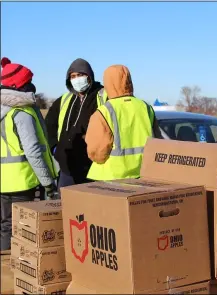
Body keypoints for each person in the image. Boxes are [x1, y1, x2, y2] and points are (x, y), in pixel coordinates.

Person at [1, 57, 58, 251]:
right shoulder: (21, 113)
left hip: (3, 182)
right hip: (22, 182)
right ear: (20, 85)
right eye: (28, 82)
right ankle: (20, 271)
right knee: (23, 230)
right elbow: (33, 151)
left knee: (5, 227)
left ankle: (6, 273)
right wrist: (48, 182)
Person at [85, 64, 162, 181]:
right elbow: (157, 142)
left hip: (112, 178)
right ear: (129, 81)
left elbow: (97, 153)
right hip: (144, 174)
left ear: (107, 83)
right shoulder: (146, 107)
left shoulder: (104, 111)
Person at [45, 58, 107, 188]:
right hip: (67, 167)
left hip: (93, 167)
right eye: (73, 76)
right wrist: (55, 148)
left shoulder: (103, 96)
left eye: (80, 75)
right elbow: (49, 126)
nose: (77, 79)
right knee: (66, 206)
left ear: (89, 76)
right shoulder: (64, 100)